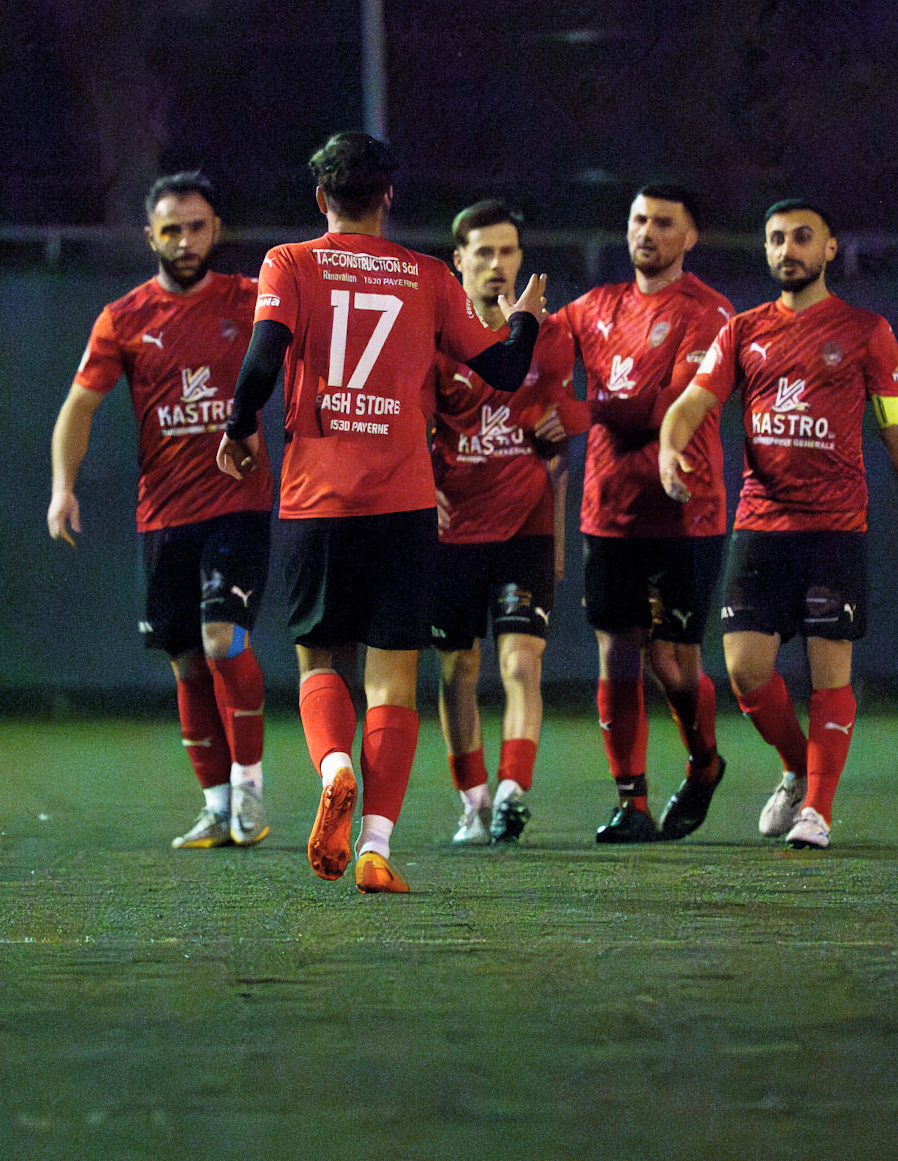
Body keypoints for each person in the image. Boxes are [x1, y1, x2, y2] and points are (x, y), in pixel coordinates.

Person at [217, 132, 545, 894]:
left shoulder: (289, 263)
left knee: (319, 661)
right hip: (403, 504)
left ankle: (334, 767)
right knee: (393, 683)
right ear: (387, 196)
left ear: (319, 197)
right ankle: (375, 847)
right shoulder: (428, 276)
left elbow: (262, 360)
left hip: (317, 499)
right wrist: (524, 318)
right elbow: (502, 370)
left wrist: (236, 429)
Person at [660, 197, 898, 851]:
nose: (786, 249)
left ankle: (816, 810)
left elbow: (897, 427)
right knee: (745, 672)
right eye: (775, 239)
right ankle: (796, 770)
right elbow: (690, 404)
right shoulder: (742, 330)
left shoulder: (866, 330)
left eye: (800, 237)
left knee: (829, 673)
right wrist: (667, 449)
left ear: (828, 248)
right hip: (760, 526)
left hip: (834, 529)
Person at [48, 172, 273, 850]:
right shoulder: (123, 318)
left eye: (196, 226)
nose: (184, 241)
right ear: (150, 236)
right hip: (164, 515)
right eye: (171, 229)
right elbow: (78, 408)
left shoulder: (252, 301)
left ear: (216, 229)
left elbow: (319, 362)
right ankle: (216, 807)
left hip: (237, 502)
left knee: (223, 640)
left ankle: (251, 787)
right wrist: (63, 487)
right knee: (186, 662)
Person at [547, 187, 735, 843]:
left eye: (662, 223)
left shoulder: (709, 312)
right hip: (608, 512)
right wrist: (507, 320)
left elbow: (665, 408)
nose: (646, 232)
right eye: (637, 220)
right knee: (617, 652)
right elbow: (536, 354)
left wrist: (583, 410)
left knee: (674, 665)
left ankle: (704, 763)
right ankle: (631, 801)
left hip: (686, 511)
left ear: (690, 237)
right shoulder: (594, 307)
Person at [430, 200, 590, 846]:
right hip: (452, 531)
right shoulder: (436, 338)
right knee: (457, 670)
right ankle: (471, 801)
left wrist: (566, 422)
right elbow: (406, 419)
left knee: (522, 663)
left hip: (525, 525)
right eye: (484, 252)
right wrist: (420, 483)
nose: (497, 264)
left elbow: (570, 414)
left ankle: (510, 793)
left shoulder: (549, 336)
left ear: (522, 257)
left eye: (508, 251)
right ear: (458, 260)